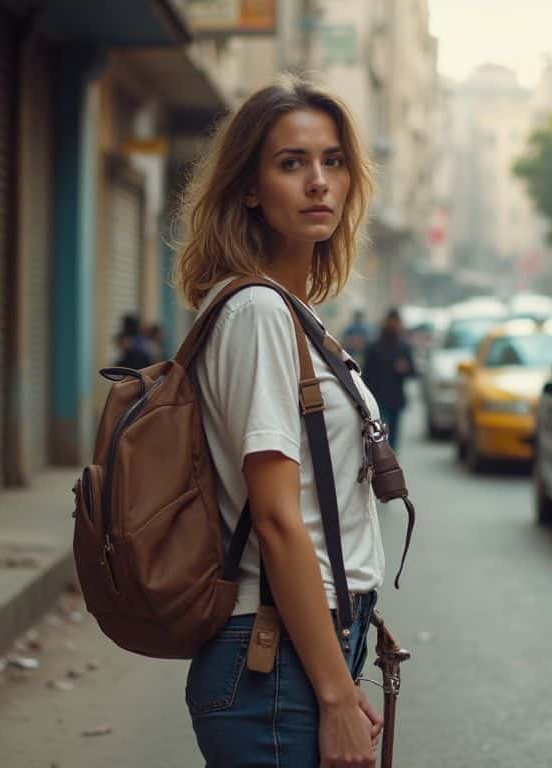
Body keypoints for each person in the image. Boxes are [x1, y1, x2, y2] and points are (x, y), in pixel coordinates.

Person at [173, 75, 384, 767]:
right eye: (291, 163)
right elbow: (275, 517)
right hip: (276, 658)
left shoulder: (288, 311)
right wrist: (331, 694)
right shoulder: (260, 313)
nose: (318, 181)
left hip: (300, 643)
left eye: (333, 160)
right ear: (250, 188)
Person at [362, 308, 415, 450]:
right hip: (378, 397)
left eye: (396, 322)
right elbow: (365, 373)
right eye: (391, 321)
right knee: (381, 434)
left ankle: (391, 463)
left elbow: (412, 371)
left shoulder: (403, 347)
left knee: (394, 436)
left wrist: (405, 368)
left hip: (396, 398)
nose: (394, 325)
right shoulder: (375, 347)